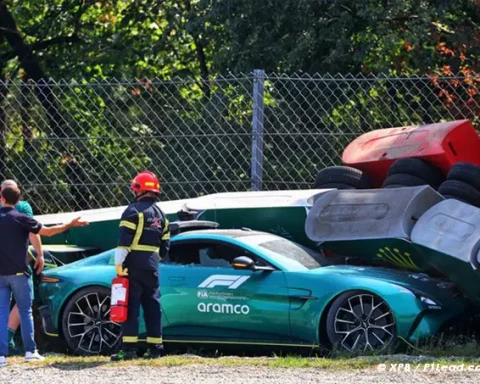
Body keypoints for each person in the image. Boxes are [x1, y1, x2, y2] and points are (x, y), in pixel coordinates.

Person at [0, 185, 88, 367]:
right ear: (18, 201)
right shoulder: (22, 217)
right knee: (25, 311)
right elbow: (47, 232)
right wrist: (70, 224)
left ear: (2, 197)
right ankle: (30, 351)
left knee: (1, 313)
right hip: (19, 272)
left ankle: (1, 355)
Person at [111, 171, 170, 361]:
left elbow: (123, 242)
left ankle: (129, 349)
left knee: (131, 306)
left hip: (132, 264)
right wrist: (153, 259)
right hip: (152, 265)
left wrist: (118, 264)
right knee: (153, 304)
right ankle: (156, 348)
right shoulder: (162, 215)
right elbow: (165, 246)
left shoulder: (133, 211)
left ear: (138, 188)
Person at [0, 180, 42, 355]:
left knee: (2, 309)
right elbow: (33, 231)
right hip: (19, 263)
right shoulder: (23, 207)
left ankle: (3, 349)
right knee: (25, 304)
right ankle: (27, 349)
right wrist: (39, 254)